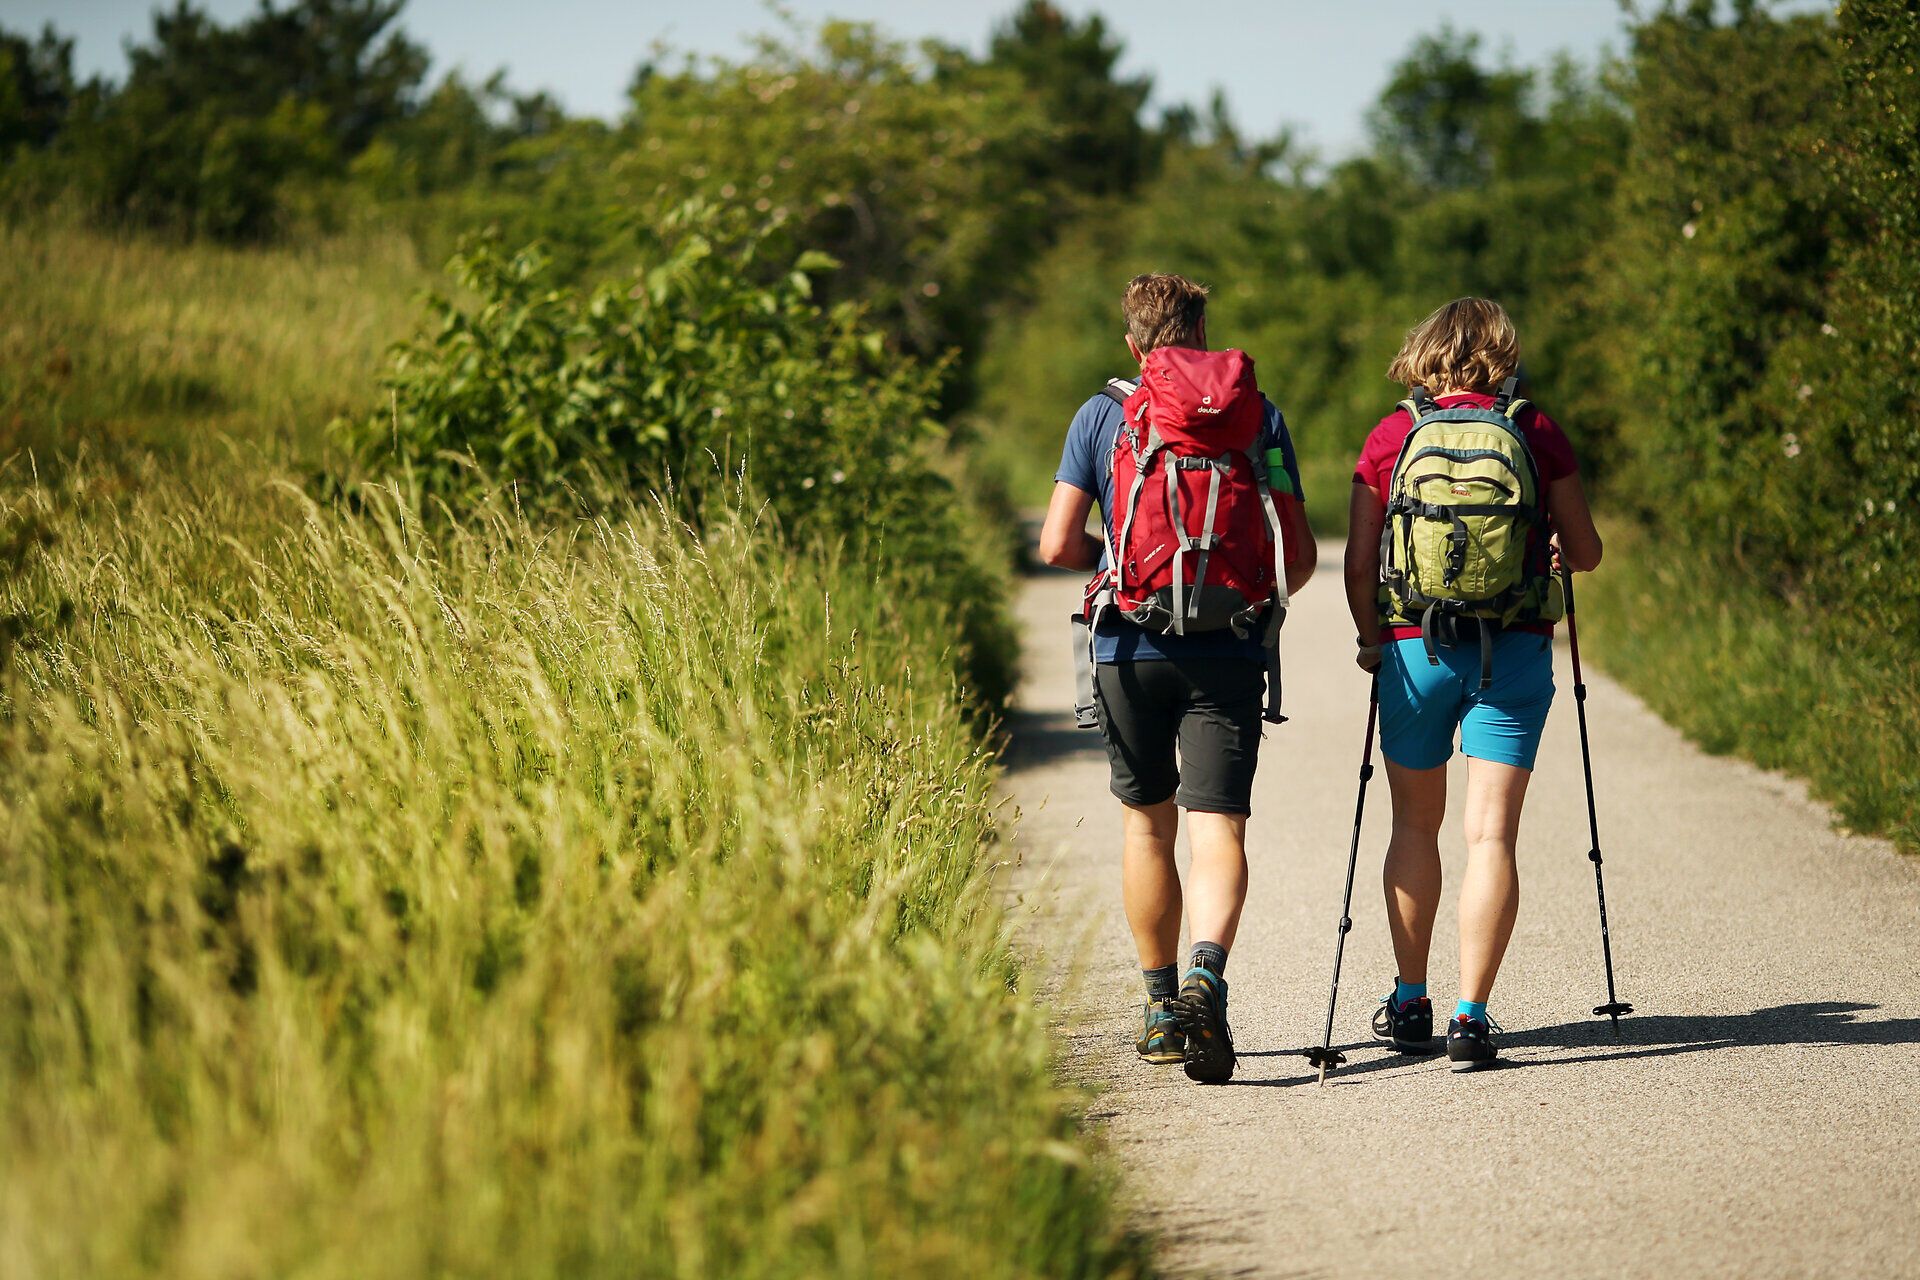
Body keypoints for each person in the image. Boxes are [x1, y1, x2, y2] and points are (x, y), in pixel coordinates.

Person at [1038, 273, 1316, 1084]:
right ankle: (1206, 977)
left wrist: (1124, 567)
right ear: (1204, 334)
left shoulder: (1102, 414)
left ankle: (1161, 1009)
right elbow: (1295, 556)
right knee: (1219, 829)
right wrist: (1243, 597)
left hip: (1128, 647)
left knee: (1146, 827)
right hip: (1226, 649)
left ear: (1134, 343)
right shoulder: (1258, 415)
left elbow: (1058, 544)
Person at [1345, 296, 1603, 1071]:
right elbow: (1585, 553)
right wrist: (1549, 545)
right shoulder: (1534, 429)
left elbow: (1361, 563)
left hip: (1413, 649)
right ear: (1503, 354)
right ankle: (1471, 1019)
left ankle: (1410, 999)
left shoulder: (1394, 434)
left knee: (1414, 828)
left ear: (1424, 353)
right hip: (1514, 647)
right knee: (1491, 835)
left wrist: (1370, 640)